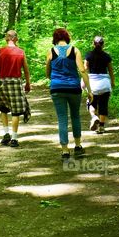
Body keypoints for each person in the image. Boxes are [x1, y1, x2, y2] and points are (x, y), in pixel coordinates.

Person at [46, 28, 92, 162]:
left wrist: (51, 77)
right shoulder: (75, 50)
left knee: (62, 119)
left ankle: (65, 151)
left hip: (57, 88)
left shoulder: (50, 51)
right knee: (75, 116)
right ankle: (78, 146)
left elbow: (47, 70)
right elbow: (82, 70)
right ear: (67, 37)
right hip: (73, 88)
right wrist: (89, 91)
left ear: (55, 38)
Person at [0, 30, 32, 148]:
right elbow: (26, 70)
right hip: (16, 83)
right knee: (16, 111)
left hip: (3, 83)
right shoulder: (21, 52)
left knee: (3, 108)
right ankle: (14, 138)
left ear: (6, 38)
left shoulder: (0, 51)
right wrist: (28, 83)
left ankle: (6, 134)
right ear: (16, 39)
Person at [84, 36, 115, 134]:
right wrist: (112, 82)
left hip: (92, 83)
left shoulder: (88, 55)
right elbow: (110, 70)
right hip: (104, 83)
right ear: (103, 44)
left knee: (91, 103)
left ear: (93, 44)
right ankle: (101, 127)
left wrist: (83, 81)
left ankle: (94, 117)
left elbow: (84, 69)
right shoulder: (107, 56)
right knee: (103, 105)